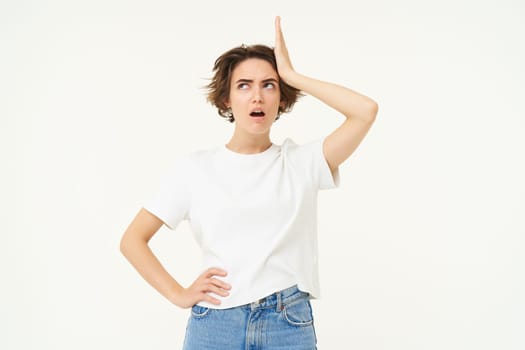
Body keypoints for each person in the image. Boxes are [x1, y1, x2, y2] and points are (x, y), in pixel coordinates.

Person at [120, 16, 378, 350]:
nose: (257, 96)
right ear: (226, 99)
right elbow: (132, 240)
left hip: (287, 322)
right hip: (215, 324)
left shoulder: (301, 162)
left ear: (281, 98)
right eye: (244, 85)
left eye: (268, 85)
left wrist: (293, 76)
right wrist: (178, 293)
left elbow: (365, 111)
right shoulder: (195, 169)